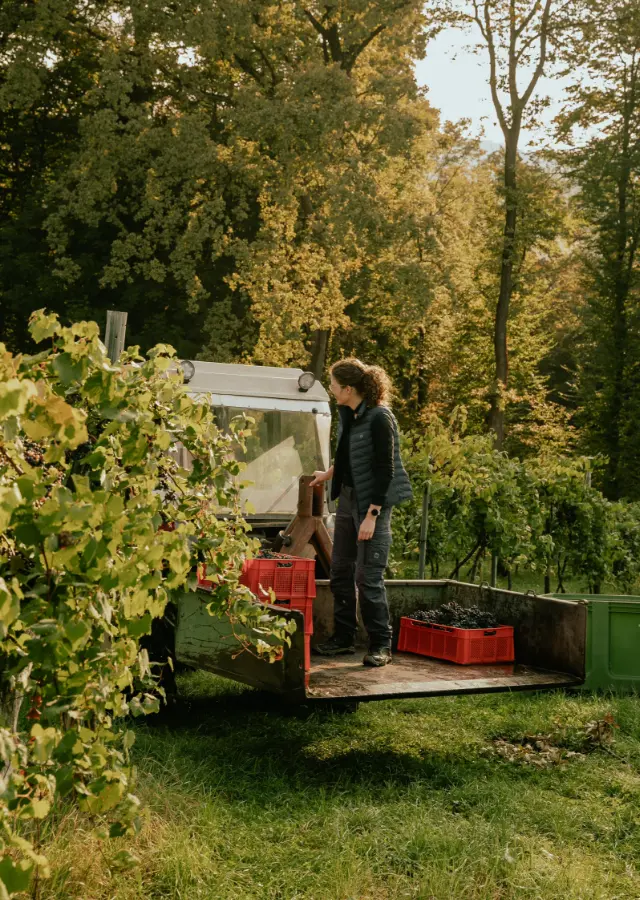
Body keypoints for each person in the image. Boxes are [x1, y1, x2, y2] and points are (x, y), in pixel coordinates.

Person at [310, 358, 412, 667]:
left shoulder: (381, 418)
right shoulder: (349, 415)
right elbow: (350, 456)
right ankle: (344, 638)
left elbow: (385, 470)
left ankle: (381, 644)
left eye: (334, 385)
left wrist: (372, 515)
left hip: (372, 505)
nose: (331, 389)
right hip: (348, 501)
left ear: (349, 388)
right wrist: (330, 474)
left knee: (367, 576)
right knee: (340, 571)